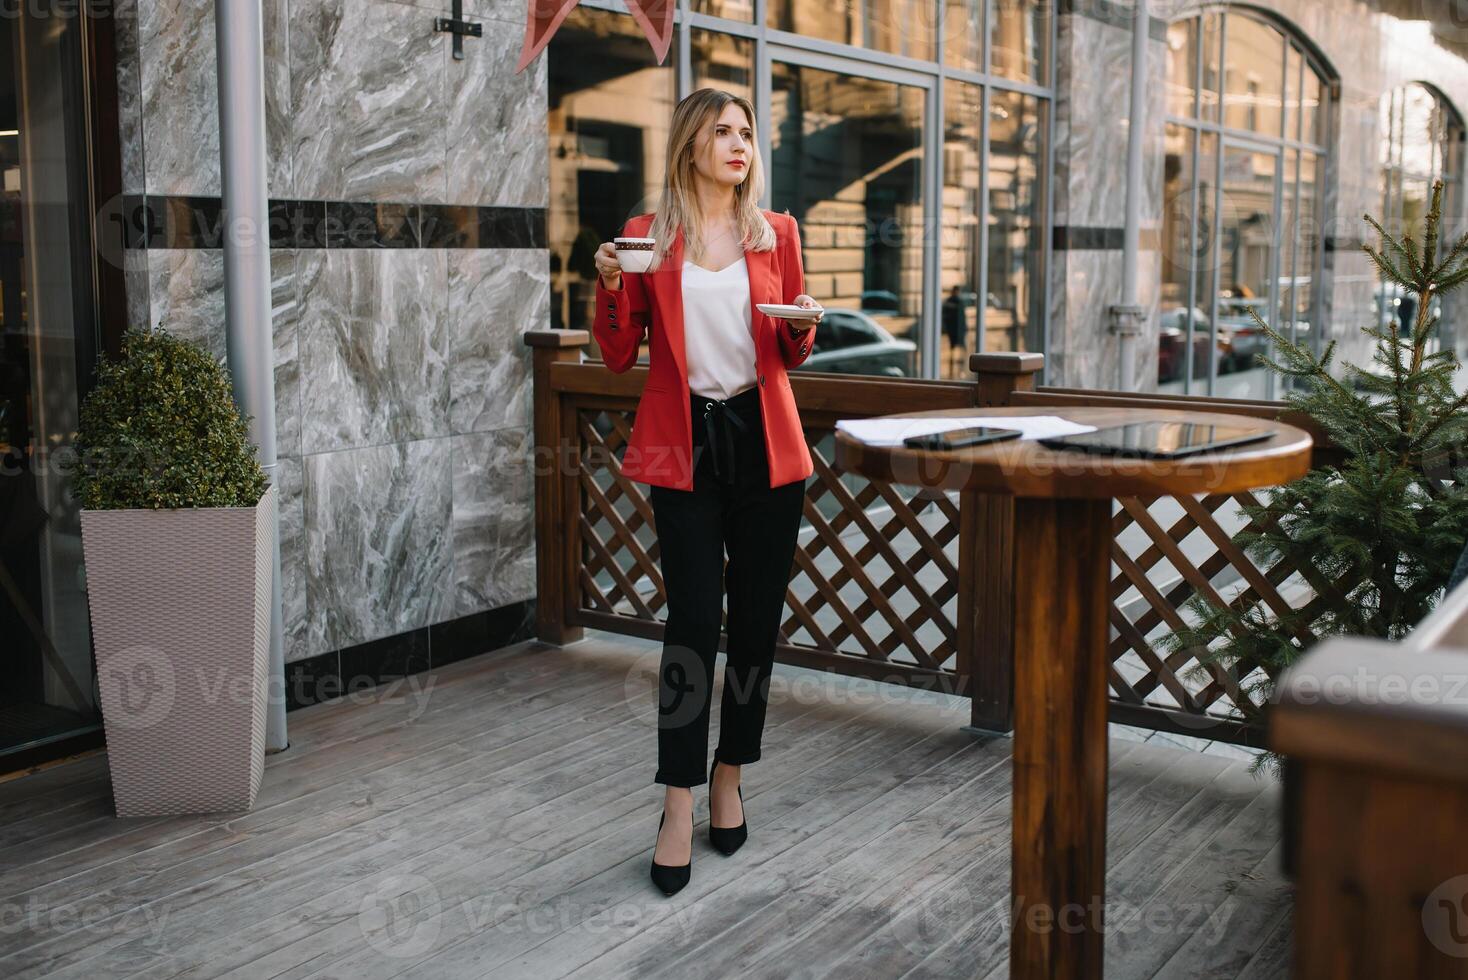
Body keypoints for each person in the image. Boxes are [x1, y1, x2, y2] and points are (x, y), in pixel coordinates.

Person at [590, 88, 824, 897]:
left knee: (755, 623)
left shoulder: (778, 233)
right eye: (722, 131)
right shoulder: (649, 235)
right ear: (691, 144)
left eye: (747, 133)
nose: (738, 144)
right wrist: (613, 281)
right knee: (693, 621)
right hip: (685, 445)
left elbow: (790, 350)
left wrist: (803, 322)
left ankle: (731, 774)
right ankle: (678, 802)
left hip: (765, 446)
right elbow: (619, 354)